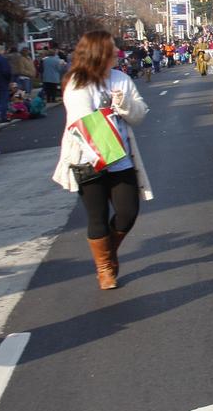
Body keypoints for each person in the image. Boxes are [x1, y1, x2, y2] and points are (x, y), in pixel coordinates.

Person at [52, 30, 152, 290]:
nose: (117, 54)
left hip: (120, 158)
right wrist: (108, 110)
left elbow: (140, 114)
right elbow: (83, 122)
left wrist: (124, 105)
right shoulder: (77, 82)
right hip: (88, 159)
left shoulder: (121, 78)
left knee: (128, 211)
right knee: (97, 217)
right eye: (111, 50)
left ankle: (108, 252)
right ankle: (105, 268)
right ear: (99, 54)